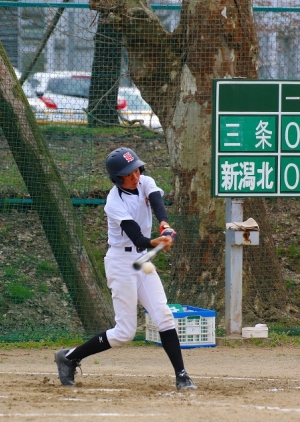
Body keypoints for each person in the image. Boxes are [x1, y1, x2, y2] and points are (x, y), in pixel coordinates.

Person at [54, 147, 196, 390]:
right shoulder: (114, 202)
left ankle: (182, 375)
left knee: (163, 315)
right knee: (124, 333)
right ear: (117, 178)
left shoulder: (145, 182)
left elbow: (157, 203)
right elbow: (137, 237)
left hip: (142, 260)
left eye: (137, 170)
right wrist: (156, 242)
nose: (135, 176)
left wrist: (164, 225)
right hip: (121, 262)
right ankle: (69, 357)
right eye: (129, 174)